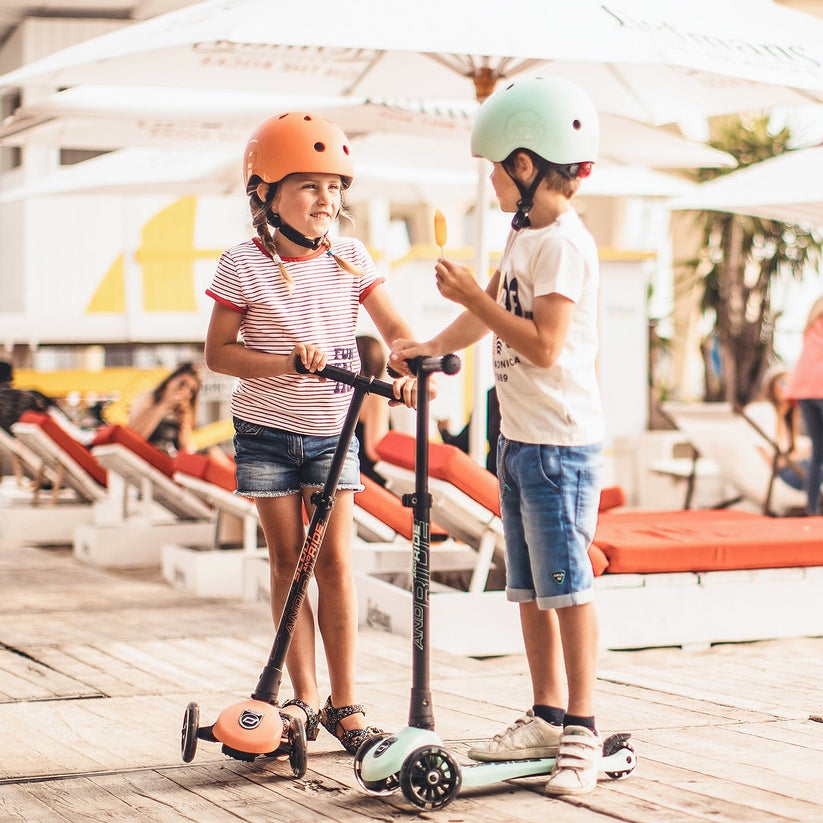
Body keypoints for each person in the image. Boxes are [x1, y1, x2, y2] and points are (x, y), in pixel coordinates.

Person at [390, 77, 604, 796]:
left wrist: (475, 297)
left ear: (525, 163)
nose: (489, 177)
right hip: (517, 441)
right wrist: (426, 347)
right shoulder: (524, 235)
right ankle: (546, 714)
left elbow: (544, 344)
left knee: (567, 589)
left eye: (495, 164)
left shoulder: (564, 244)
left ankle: (582, 727)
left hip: (558, 443)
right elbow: (487, 320)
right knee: (528, 589)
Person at [204, 111, 417, 754]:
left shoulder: (352, 258)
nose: (328, 199)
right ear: (265, 193)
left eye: (335, 186)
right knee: (288, 564)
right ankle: (301, 700)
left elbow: (396, 332)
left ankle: (344, 704)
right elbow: (218, 354)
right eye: (310, 185)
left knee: (335, 564)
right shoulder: (242, 264)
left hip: (332, 431)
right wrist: (283, 361)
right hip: (265, 431)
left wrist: (411, 369)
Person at [744, 368, 810, 491]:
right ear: (770, 385)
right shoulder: (764, 410)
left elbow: (784, 456)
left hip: (785, 473)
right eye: (783, 383)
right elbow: (770, 460)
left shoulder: (785, 420)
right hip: (772, 479)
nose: (788, 387)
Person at [786, 296, 823, 514]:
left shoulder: (812, 325)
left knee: (819, 453)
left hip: (804, 388)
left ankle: (811, 510)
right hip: (819, 386)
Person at [128, 363, 202, 457]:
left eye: (191, 390)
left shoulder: (182, 413)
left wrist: (184, 427)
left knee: (213, 452)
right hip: (146, 456)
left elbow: (187, 452)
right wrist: (164, 405)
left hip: (169, 459)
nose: (185, 391)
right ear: (169, 381)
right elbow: (136, 435)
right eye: (182, 384)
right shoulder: (149, 398)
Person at [436, 386, 501, 475]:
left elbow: (462, 443)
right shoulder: (494, 396)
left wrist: (444, 431)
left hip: (498, 478)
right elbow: (464, 442)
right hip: (499, 477)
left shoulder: (494, 395)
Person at [355, 335, 390, 486]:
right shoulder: (375, 399)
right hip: (367, 479)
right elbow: (375, 450)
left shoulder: (344, 395)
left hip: (350, 472)